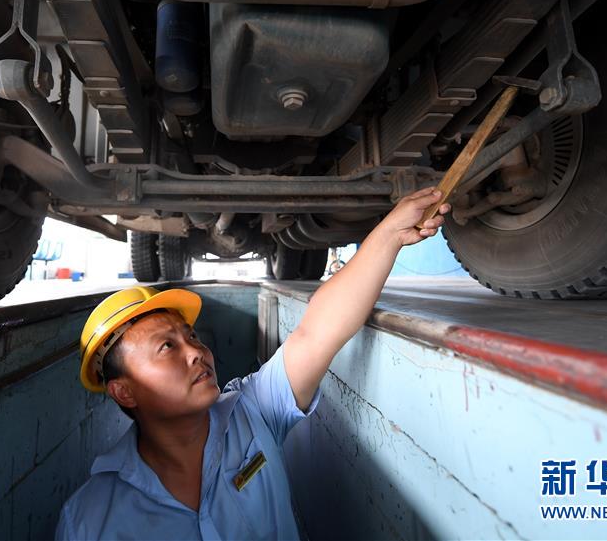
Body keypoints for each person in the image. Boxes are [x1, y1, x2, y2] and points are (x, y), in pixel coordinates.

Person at [56, 187, 451, 540]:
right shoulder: (90, 519)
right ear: (123, 390)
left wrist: (389, 234)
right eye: (166, 347)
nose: (196, 352)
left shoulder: (253, 410)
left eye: (191, 337)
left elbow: (317, 332)